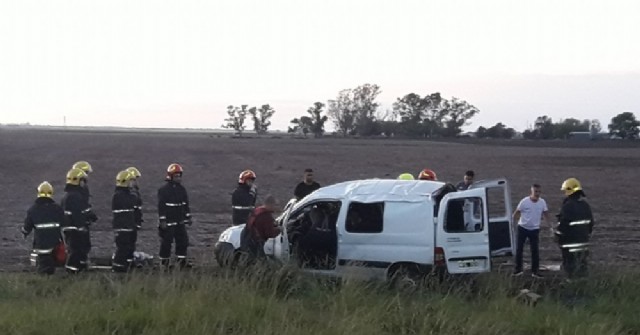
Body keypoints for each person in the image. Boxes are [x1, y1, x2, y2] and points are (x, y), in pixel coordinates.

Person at [21, 181, 65, 275]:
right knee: (52, 261)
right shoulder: (57, 208)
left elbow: (27, 226)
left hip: (41, 244)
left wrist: (24, 232)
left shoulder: (33, 209)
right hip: (55, 243)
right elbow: (64, 222)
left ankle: (43, 278)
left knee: (43, 263)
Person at [555, 178, 594, 280]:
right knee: (582, 266)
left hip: (569, 245)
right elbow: (591, 224)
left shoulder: (567, 207)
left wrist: (557, 236)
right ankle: (584, 286)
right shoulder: (585, 206)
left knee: (570, 269)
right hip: (583, 243)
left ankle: (572, 288)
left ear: (569, 191)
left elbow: (563, 226)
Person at [61, 168, 98, 273]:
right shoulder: (74, 196)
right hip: (75, 228)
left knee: (81, 249)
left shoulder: (70, 195)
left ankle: (81, 268)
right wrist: (81, 226)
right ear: (77, 180)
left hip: (72, 228)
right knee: (76, 250)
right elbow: (77, 214)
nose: (84, 183)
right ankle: (72, 271)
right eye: (82, 180)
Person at [157, 163, 192, 269]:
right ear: (171, 176)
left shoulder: (182, 189)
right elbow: (161, 206)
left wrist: (188, 217)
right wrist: (162, 220)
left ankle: (181, 262)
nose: (179, 178)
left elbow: (185, 204)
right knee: (166, 243)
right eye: (176, 176)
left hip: (179, 221)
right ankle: (164, 263)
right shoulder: (163, 190)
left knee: (183, 241)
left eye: (180, 176)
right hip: (168, 222)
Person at [512, 184, 550, 278]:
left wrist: (549, 225)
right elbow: (516, 213)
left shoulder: (542, 202)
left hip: (534, 229)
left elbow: (546, 214)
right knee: (519, 249)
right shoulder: (524, 202)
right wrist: (512, 223)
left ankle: (535, 271)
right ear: (531, 192)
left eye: (539, 192)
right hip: (523, 228)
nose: (537, 194)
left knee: (535, 250)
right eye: (535, 192)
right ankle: (518, 270)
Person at [240, 195, 281, 262]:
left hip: (249, 241)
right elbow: (269, 234)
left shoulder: (257, 211)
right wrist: (279, 230)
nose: (277, 207)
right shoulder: (266, 216)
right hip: (257, 245)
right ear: (270, 204)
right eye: (275, 205)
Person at [111, 170, 139, 273]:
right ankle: (118, 268)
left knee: (129, 248)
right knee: (122, 248)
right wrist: (135, 192)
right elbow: (133, 201)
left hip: (129, 226)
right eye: (131, 181)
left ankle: (127, 266)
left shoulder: (125, 194)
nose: (133, 183)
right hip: (122, 227)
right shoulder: (119, 195)